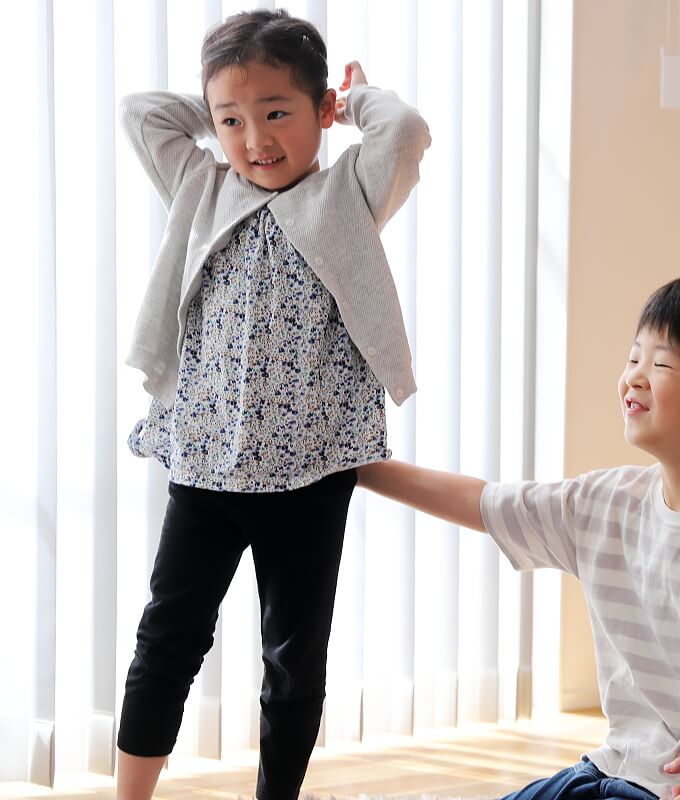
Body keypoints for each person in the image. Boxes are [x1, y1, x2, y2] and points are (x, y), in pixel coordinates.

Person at [357, 272, 680, 800]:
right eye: (633, 358)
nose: (634, 379)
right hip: (611, 767)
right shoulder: (605, 504)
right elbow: (484, 502)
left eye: (661, 364)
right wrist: (355, 467)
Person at [115, 9, 430, 800]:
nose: (255, 139)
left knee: (293, 659)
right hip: (206, 468)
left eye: (277, 113)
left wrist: (354, 101)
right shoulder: (200, 185)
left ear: (319, 110)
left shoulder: (347, 194)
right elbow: (140, 114)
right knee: (167, 639)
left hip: (309, 474)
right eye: (233, 120)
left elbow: (405, 131)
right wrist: (218, 107)